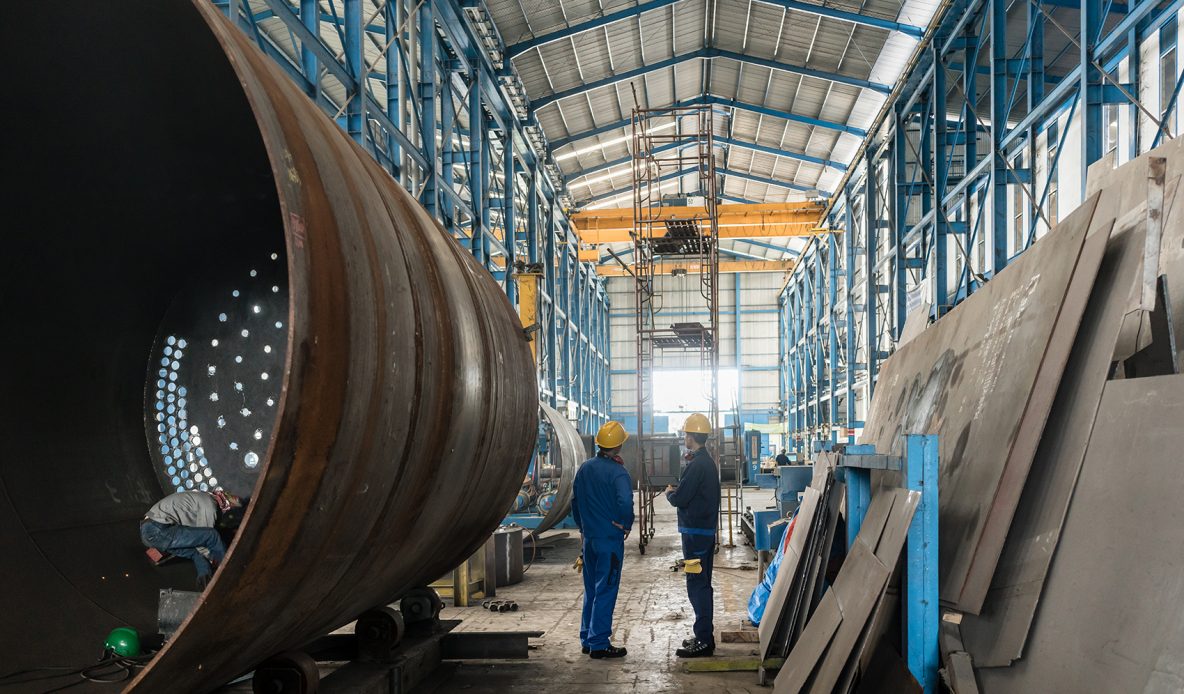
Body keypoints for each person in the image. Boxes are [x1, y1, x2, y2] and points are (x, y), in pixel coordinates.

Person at [571, 420, 634, 660]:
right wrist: (625, 523)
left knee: (591, 589)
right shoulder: (619, 472)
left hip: (590, 540)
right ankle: (599, 643)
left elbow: (574, 502)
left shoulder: (585, 468)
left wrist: (583, 526)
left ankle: (587, 637)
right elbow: (625, 502)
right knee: (606, 589)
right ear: (618, 446)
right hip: (609, 541)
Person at [665, 412, 721, 658]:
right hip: (702, 532)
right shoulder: (704, 462)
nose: (684, 438)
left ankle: (704, 641)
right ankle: (703, 635)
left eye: (685, 434)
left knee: (697, 584)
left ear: (691, 437)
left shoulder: (697, 465)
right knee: (701, 583)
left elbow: (681, 498)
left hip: (695, 534)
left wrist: (669, 493)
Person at [140, 489, 243, 590]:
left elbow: (195, 534)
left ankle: (205, 580)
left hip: (151, 531)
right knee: (212, 536)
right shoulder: (209, 503)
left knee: (194, 553)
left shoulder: (197, 496)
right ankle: (229, 571)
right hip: (157, 529)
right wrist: (211, 557)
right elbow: (207, 535)